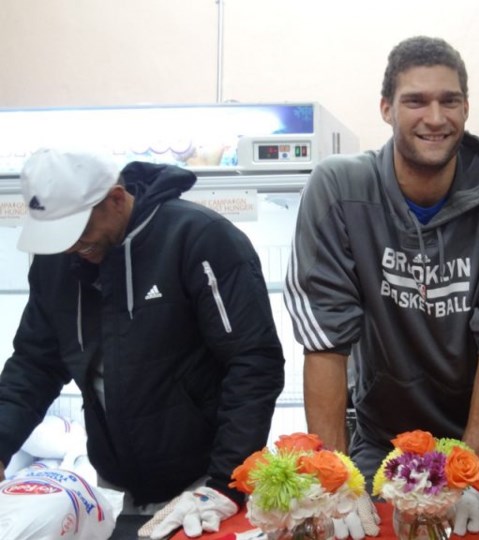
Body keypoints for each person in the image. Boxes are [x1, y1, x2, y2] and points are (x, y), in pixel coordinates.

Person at [284, 35, 479, 518]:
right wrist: (336, 478)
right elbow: (325, 339)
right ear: (386, 108)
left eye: (449, 101)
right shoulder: (339, 189)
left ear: (466, 109)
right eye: (415, 101)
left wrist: (469, 472)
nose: (435, 117)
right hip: (381, 442)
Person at [0, 149, 285, 538]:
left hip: (205, 480)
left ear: (116, 199)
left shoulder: (198, 238)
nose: (71, 246)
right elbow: (34, 364)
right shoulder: (58, 262)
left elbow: (254, 361)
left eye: (78, 232)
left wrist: (224, 484)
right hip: (121, 484)